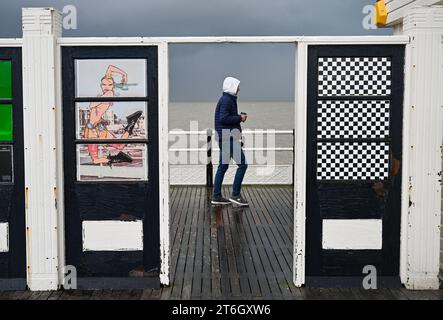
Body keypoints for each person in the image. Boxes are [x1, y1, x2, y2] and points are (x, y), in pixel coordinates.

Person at [83, 65, 142, 165]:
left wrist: (95, 103)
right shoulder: (107, 93)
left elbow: (92, 104)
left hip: (92, 130)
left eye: (109, 85)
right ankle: (131, 123)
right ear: (101, 85)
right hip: (97, 128)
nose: (106, 87)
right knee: (119, 146)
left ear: (113, 85)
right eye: (103, 85)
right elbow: (110, 68)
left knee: (95, 159)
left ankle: (116, 158)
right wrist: (124, 74)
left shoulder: (108, 94)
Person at [212, 76, 249, 206]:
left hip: (225, 137)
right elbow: (224, 118)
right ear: (232, 86)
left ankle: (216, 196)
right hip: (227, 138)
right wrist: (240, 117)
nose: (239, 89)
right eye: (237, 86)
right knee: (243, 165)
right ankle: (236, 195)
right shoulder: (227, 100)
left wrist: (238, 118)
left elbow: (224, 118)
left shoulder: (226, 99)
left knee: (223, 166)